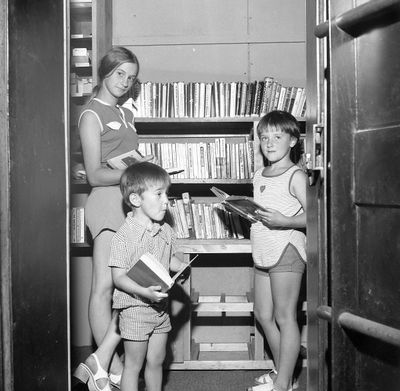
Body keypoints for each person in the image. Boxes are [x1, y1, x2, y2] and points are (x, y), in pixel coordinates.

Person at [73, 46, 152, 391]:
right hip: (106, 204)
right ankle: (112, 367)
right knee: (104, 288)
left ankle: (100, 362)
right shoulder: (91, 114)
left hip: (127, 205)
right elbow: (92, 174)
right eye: (119, 73)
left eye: (131, 77)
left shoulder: (126, 114)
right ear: (104, 73)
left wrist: (141, 170)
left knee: (129, 289)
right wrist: (135, 174)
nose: (125, 81)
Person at [109, 161, 188, 391]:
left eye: (167, 193)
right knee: (134, 365)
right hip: (134, 308)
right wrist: (144, 292)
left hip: (160, 310)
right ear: (136, 200)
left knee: (156, 361)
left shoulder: (165, 229)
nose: (166, 201)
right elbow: (119, 277)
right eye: (159, 194)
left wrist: (181, 266)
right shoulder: (123, 236)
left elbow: (168, 260)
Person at [248, 111, 307, 391]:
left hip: (287, 250)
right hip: (262, 250)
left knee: (285, 316)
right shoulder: (259, 173)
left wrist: (286, 221)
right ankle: (281, 371)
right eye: (264, 137)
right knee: (263, 314)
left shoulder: (297, 176)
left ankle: (283, 384)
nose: (269, 143)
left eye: (277, 136)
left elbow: (317, 217)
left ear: (293, 140)